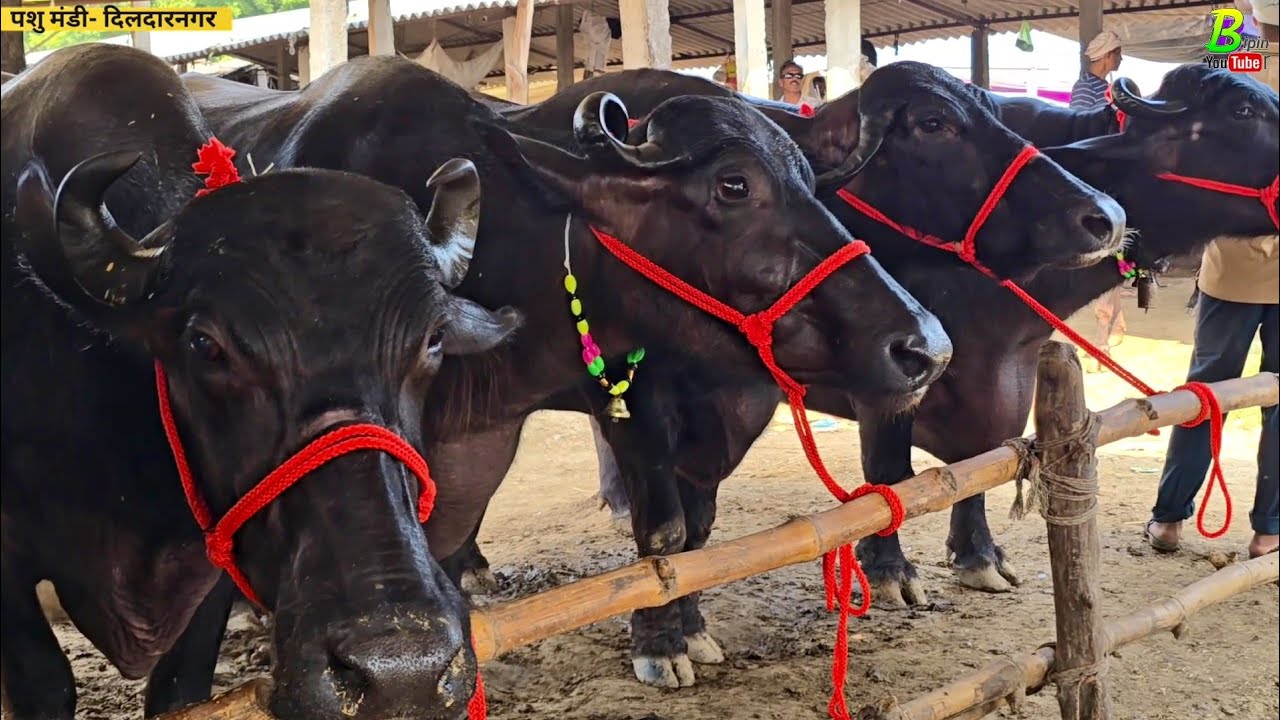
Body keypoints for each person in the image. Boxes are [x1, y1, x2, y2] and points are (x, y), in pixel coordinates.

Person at [1146, 0, 1278, 560]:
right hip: (1242, 263)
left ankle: (1170, 517)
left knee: (1204, 392)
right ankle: (1269, 529)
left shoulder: (1233, 61)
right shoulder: (1237, 63)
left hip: (1232, 264)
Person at [1072, 30, 1129, 371]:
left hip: (1110, 175)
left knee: (1119, 253)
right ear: (1107, 56)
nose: (1120, 60)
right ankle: (1100, 339)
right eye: (1118, 54)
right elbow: (1085, 130)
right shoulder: (1087, 90)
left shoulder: (1107, 88)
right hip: (1099, 179)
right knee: (1109, 253)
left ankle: (1106, 331)